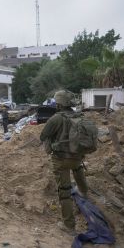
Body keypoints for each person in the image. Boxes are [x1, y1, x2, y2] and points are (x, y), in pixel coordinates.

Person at [40, 90, 88, 235]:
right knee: (78, 169)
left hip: (61, 160)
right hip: (77, 157)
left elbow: (43, 136)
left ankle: (69, 225)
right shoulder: (80, 115)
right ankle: (85, 195)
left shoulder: (56, 118)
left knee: (65, 192)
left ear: (59, 104)